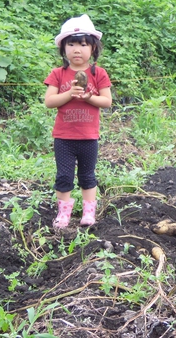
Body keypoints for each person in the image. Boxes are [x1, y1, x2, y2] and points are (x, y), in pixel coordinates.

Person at [43, 14, 112, 228]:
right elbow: (49, 101)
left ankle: (88, 213)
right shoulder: (58, 74)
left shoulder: (98, 73)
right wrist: (70, 94)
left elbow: (107, 101)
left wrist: (88, 97)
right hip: (64, 137)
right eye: (71, 44)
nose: (77, 49)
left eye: (83, 44)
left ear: (93, 48)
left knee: (87, 175)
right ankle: (63, 214)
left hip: (89, 137)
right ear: (63, 49)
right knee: (64, 176)